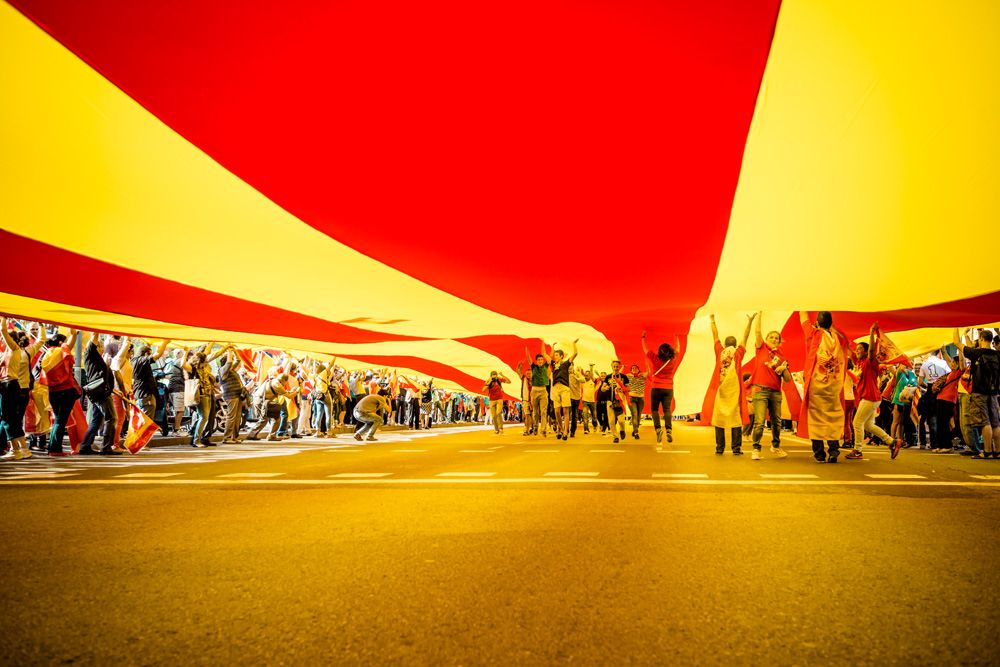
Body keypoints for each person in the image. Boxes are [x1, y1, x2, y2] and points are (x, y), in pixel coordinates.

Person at [798, 311, 851, 463]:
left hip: (816, 386)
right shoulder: (839, 339)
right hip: (833, 388)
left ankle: (819, 454)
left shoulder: (814, 334)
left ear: (818, 322)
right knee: (832, 419)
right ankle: (834, 451)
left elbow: (803, 319)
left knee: (815, 419)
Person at [846, 323, 902, 460]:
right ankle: (892, 442)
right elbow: (847, 349)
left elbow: (871, 351)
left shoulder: (870, 361)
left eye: (860, 349)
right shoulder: (859, 362)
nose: (857, 351)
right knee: (869, 425)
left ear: (866, 352)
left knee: (857, 423)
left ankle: (857, 450)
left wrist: (871, 332)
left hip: (870, 397)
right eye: (857, 349)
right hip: (872, 398)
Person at [708, 314, 753, 455]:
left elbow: (715, 335)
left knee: (719, 419)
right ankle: (736, 448)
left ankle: (719, 448)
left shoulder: (719, 351)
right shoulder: (738, 353)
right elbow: (745, 338)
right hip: (735, 390)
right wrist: (749, 322)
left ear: (726, 344)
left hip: (720, 390)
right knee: (736, 420)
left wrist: (712, 320)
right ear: (734, 344)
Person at [748, 313, 790, 459]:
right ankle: (756, 449)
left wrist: (783, 369)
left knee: (777, 422)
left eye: (776, 338)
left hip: (775, 392)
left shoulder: (782, 357)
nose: (773, 339)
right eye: (771, 337)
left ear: (779, 342)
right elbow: (757, 332)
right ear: (766, 340)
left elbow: (788, 379)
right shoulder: (761, 349)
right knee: (759, 422)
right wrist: (758, 315)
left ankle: (775, 446)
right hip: (760, 389)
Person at [955, 328, 1000, 458]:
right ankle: (997, 451)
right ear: (991, 340)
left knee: (984, 422)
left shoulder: (977, 353)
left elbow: (957, 342)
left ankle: (987, 451)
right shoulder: (997, 354)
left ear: (981, 339)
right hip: (993, 392)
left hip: (979, 392)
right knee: (995, 422)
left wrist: (956, 327)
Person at [78, 331, 121, 455]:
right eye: (101, 346)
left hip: (100, 391)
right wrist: (96, 329)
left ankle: (85, 446)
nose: (103, 349)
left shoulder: (97, 359)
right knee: (111, 418)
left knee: (97, 420)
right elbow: (94, 337)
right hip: (100, 392)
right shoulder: (90, 354)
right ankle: (106, 447)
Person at [182, 344, 226, 448]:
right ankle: (196, 440)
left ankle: (197, 438)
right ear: (200, 361)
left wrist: (215, 344)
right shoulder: (193, 368)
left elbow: (212, 354)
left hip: (207, 393)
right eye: (205, 360)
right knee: (203, 417)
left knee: (202, 417)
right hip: (201, 395)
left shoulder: (202, 366)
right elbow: (182, 364)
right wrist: (185, 352)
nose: (207, 361)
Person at [641, 331, 681, 444]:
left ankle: (658, 429)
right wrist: (676, 335)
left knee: (654, 410)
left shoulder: (655, 358)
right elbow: (678, 347)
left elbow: (645, 349)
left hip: (656, 387)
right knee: (667, 410)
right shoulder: (673, 359)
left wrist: (643, 336)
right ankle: (668, 430)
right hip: (668, 388)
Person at [132, 338, 170, 420]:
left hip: (141, 395)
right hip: (145, 395)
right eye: (149, 354)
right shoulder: (141, 361)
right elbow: (157, 355)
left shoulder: (136, 361)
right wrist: (165, 342)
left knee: (142, 420)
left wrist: (149, 344)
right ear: (146, 354)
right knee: (146, 421)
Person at [548, 340, 578, 440]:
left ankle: (565, 431)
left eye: (557, 355)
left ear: (561, 356)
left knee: (565, 411)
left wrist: (573, 344)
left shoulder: (565, 364)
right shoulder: (552, 364)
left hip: (565, 388)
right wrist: (552, 347)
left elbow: (575, 354)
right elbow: (545, 355)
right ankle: (560, 429)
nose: (555, 356)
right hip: (556, 388)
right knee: (557, 411)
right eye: (554, 355)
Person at [217, 346, 246, 444]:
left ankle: (234, 437)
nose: (233, 361)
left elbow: (239, 360)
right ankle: (227, 437)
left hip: (237, 395)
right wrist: (229, 351)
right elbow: (229, 362)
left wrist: (234, 351)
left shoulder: (231, 370)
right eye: (231, 360)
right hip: (231, 396)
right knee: (231, 416)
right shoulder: (222, 370)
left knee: (237, 417)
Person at [524, 346, 551, 437]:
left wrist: (547, 345)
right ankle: (535, 427)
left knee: (543, 411)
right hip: (534, 390)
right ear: (536, 361)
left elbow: (549, 357)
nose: (540, 361)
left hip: (543, 390)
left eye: (541, 359)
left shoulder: (545, 366)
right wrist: (526, 346)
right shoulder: (533, 366)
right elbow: (528, 357)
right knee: (535, 411)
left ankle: (543, 430)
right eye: (539, 359)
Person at [606, 360, 630, 444]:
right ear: (611, 367)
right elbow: (603, 387)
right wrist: (604, 388)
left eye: (617, 366)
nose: (616, 368)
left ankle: (622, 430)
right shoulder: (608, 377)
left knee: (621, 421)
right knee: (611, 421)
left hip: (621, 401)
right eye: (614, 366)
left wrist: (622, 389)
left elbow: (628, 388)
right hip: (610, 401)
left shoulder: (624, 377)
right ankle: (615, 436)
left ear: (619, 367)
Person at [626, 362, 649, 440]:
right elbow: (619, 376)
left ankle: (635, 429)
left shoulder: (642, 376)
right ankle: (636, 432)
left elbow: (648, 373)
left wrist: (647, 365)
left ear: (638, 370)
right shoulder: (629, 376)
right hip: (631, 398)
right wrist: (622, 367)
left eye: (635, 368)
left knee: (638, 416)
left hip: (641, 399)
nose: (634, 369)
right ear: (631, 370)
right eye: (632, 368)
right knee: (635, 414)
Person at [516, 361, 534, 435]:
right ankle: (526, 429)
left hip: (534, 400)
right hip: (526, 400)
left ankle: (532, 427)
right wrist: (520, 365)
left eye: (530, 374)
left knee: (533, 415)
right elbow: (518, 371)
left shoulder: (536, 379)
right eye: (527, 374)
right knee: (527, 415)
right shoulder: (524, 379)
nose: (528, 375)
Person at [579, 365, 598, 434]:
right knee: (585, 415)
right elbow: (578, 377)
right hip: (585, 401)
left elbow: (592, 375)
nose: (586, 376)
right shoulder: (583, 381)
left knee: (594, 416)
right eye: (586, 375)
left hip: (593, 401)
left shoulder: (593, 381)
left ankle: (595, 425)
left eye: (588, 375)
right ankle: (586, 429)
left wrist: (591, 368)